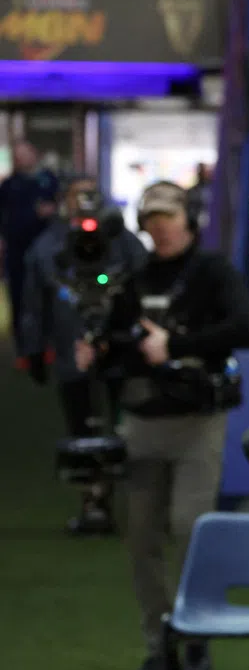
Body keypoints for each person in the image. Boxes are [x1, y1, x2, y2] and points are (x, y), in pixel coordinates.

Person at [76, 181, 249, 670]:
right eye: (151, 218)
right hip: (141, 422)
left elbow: (246, 325)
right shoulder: (133, 278)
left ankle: (196, 634)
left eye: (168, 216)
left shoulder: (213, 272)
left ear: (188, 219)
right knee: (141, 538)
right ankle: (160, 643)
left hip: (197, 422)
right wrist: (99, 349)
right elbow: (115, 341)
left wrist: (176, 346)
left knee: (191, 529)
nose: (160, 227)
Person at [19, 173, 148, 534]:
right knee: (81, 429)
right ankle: (93, 501)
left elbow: (145, 278)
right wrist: (32, 350)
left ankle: (137, 504)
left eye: (91, 193)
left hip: (120, 351)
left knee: (129, 427)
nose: (85, 201)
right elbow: (33, 302)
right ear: (65, 199)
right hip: (70, 352)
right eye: (78, 194)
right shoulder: (47, 247)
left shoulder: (122, 241)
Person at [0, 141, 58, 351]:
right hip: (17, 252)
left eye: (25, 154)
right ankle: (23, 349)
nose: (21, 159)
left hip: (47, 252)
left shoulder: (49, 180)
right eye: (17, 155)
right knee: (20, 299)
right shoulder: (8, 185)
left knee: (49, 297)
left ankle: (48, 345)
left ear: (34, 154)